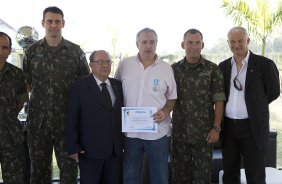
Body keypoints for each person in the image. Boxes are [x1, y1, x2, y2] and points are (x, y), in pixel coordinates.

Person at [23, 6, 90, 184]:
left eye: (57, 21)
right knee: (38, 171)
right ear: (43, 23)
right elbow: (28, 84)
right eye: (50, 21)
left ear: (63, 23)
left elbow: (85, 85)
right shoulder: (31, 52)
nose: (53, 25)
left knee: (69, 171)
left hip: (67, 124)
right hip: (38, 124)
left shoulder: (76, 52)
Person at [115, 27, 177, 184]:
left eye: (152, 42)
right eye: (144, 42)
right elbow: (116, 92)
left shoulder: (166, 68)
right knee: (130, 176)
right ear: (137, 44)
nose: (148, 46)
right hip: (131, 134)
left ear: (157, 44)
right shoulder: (124, 65)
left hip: (158, 132)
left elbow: (172, 98)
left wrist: (165, 111)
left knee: (160, 177)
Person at [219, 26, 280, 184]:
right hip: (229, 129)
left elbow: (274, 91)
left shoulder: (264, 64)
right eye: (232, 42)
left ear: (248, 41)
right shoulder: (223, 67)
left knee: (255, 174)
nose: (236, 45)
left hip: (253, 128)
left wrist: (255, 106)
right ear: (228, 43)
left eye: (240, 41)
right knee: (229, 174)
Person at [170, 28, 226, 184]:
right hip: (179, 134)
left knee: (203, 178)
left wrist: (216, 128)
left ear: (202, 45)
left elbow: (219, 101)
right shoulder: (173, 70)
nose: (193, 46)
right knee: (179, 177)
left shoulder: (213, 69)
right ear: (183, 45)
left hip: (204, 135)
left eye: (197, 43)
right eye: (189, 42)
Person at [66, 50, 124, 184]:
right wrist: (73, 146)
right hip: (89, 151)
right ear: (91, 65)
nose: (105, 65)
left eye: (108, 61)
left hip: (115, 152)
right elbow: (71, 118)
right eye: (100, 62)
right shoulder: (79, 87)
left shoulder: (118, 86)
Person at [0, 32, 28, 183]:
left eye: (4, 47)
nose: (0, 51)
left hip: (11, 135)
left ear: (10, 50)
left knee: (15, 179)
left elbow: (20, 102)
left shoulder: (17, 74)